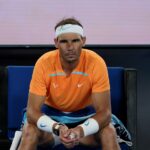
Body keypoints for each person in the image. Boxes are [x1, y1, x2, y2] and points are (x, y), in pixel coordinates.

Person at [18, 17, 132, 150]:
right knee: (29, 131)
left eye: (75, 40)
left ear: (83, 41)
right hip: (52, 122)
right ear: (56, 43)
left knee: (109, 132)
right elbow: (32, 112)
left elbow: (105, 113)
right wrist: (57, 128)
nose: (70, 47)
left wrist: (79, 130)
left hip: (85, 120)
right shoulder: (44, 62)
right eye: (64, 41)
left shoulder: (96, 62)